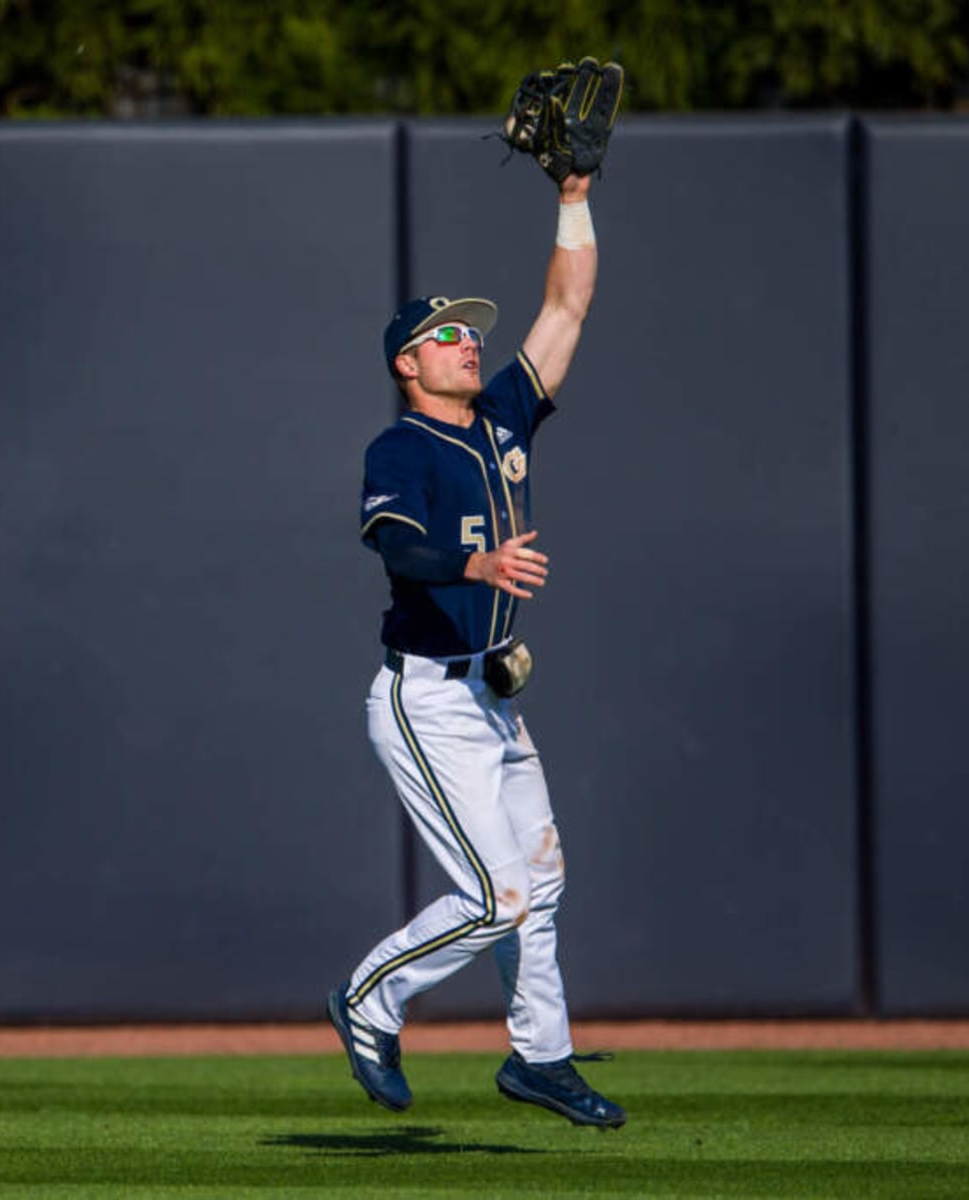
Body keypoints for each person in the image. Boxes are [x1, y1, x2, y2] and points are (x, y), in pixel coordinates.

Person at [328, 169, 625, 1131]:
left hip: (492, 695)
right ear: (408, 363)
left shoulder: (500, 416)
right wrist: (479, 559)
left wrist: (573, 193)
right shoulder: (399, 448)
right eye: (447, 334)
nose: (469, 341)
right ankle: (369, 1000)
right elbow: (399, 549)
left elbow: (568, 301)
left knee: (540, 883)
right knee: (495, 897)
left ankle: (541, 1058)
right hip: (426, 702)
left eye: (469, 332)